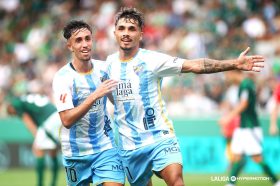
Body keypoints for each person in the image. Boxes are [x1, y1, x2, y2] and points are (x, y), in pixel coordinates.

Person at [105, 7, 265, 186]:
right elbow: (112, 97)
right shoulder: (109, 64)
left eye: (131, 29)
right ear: (115, 33)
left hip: (160, 137)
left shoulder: (153, 60)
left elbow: (196, 65)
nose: (126, 33)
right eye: (122, 28)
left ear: (141, 34)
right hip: (130, 145)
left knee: (176, 181)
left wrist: (234, 63)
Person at [52, 20, 125, 186]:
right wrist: (95, 95)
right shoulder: (62, 78)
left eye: (87, 39)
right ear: (69, 46)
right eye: (78, 40)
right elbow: (67, 120)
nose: (85, 44)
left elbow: (119, 103)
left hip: (105, 148)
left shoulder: (104, 69)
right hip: (75, 153)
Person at [219, 71, 280, 186]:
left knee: (257, 157)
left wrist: (228, 118)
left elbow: (244, 104)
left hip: (250, 127)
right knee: (237, 157)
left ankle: (276, 182)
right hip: (243, 126)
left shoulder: (246, 84)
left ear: (233, 72)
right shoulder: (245, 84)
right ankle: (230, 183)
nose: (226, 77)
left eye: (227, 74)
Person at [6, 93, 60, 186]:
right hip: (56, 115)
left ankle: (39, 184)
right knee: (53, 151)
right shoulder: (25, 99)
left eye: (12, 113)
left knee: (38, 149)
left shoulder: (16, 104)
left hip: (48, 119)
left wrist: (36, 138)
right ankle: (53, 183)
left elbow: (28, 121)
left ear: (10, 107)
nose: (14, 114)